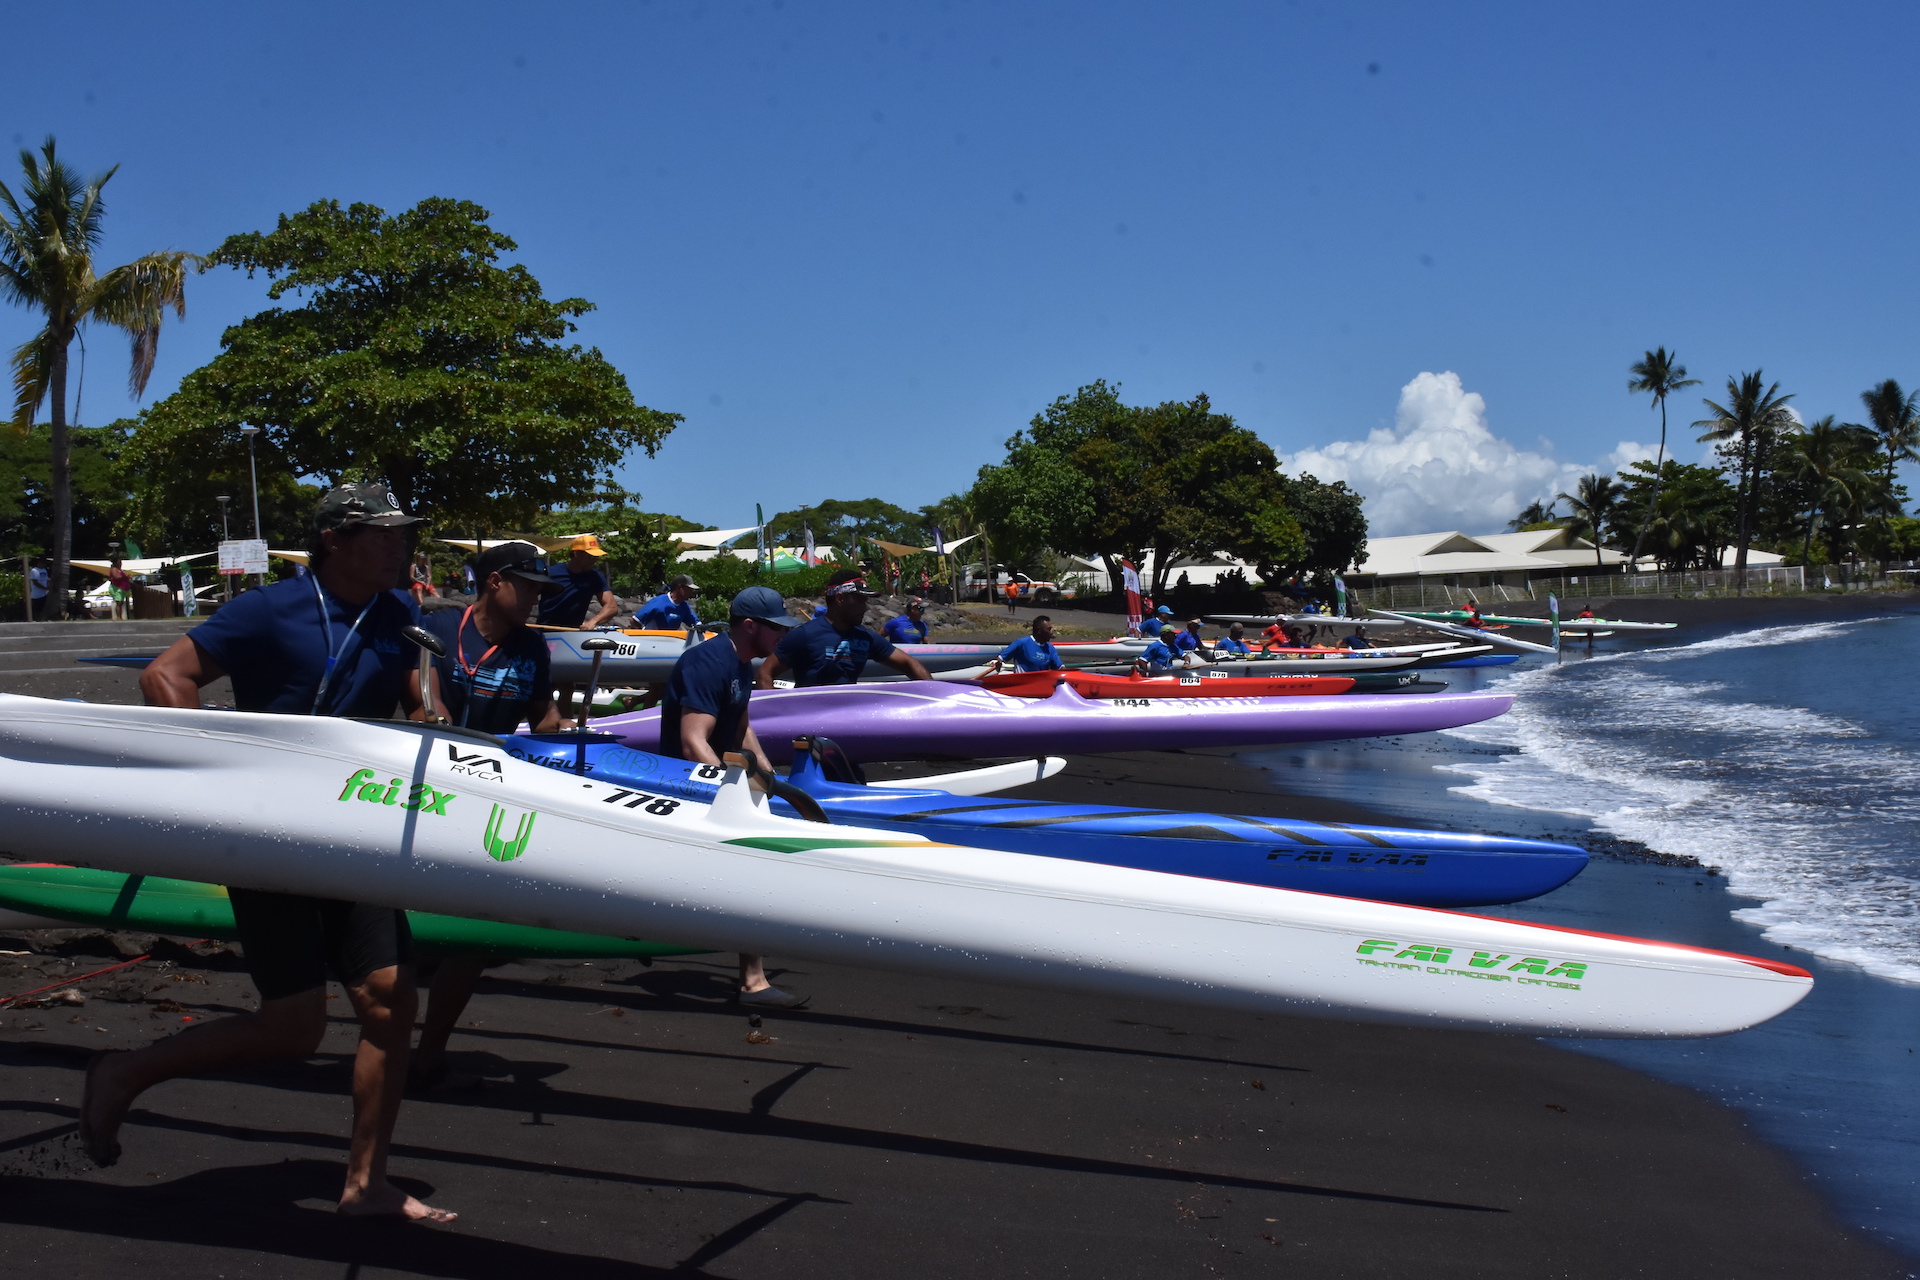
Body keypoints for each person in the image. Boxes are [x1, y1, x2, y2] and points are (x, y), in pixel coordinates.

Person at [87, 482, 452, 1223]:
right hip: (270, 830)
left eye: (402, 533)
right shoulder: (268, 608)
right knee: (294, 1027)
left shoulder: (400, 616)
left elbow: (420, 700)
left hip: (356, 825)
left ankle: (366, 1184)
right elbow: (165, 674)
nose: (398, 545)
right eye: (382, 534)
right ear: (334, 539)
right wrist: (214, 771)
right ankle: (124, 1071)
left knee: (391, 999)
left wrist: (431, 713)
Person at [404, 541, 568, 1089]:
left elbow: (543, 715)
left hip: (490, 795)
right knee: (409, 934)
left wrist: (568, 734)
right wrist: (434, 718)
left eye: (542, 590)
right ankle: (387, 1041)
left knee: (473, 936)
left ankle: (429, 1052)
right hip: (427, 790)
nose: (537, 599)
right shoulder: (439, 627)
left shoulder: (532, 647)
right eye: (529, 587)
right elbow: (422, 703)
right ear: (495, 582)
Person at [662, 585, 802, 1008]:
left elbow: (741, 725)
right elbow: (693, 742)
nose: (782, 635)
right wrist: (731, 795)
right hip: (684, 789)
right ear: (750, 626)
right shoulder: (708, 662)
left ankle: (752, 979)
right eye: (776, 627)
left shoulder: (741, 663)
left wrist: (768, 775)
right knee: (748, 870)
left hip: (716, 782)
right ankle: (752, 982)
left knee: (749, 872)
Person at [759, 569, 932, 688]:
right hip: (809, 720)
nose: (865, 608)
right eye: (860, 601)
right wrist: (778, 715)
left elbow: (909, 663)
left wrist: (933, 695)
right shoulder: (804, 635)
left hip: (846, 720)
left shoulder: (865, 638)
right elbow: (764, 674)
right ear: (840, 599)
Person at [544, 534, 620, 718]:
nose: (594, 559)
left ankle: (565, 723)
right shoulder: (552, 573)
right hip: (546, 633)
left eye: (596, 556)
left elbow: (611, 607)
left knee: (567, 687)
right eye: (590, 555)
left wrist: (593, 621)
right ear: (576, 553)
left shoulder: (595, 577)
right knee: (543, 684)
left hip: (571, 636)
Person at [990, 615, 1063, 673]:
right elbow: (1000, 659)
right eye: (1049, 629)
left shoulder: (1050, 648)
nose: (1051, 632)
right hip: (1022, 684)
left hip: (1040, 684)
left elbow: (1061, 668)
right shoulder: (1022, 643)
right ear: (1039, 631)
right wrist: (998, 664)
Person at [636, 573, 701, 631]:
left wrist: (701, 627)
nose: (691, 593)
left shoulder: (684, 606)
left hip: (668, 639)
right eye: (689, 589)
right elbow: (635, 620)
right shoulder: (659, 602)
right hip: (652, 639)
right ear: (680, 588)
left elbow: (696, 624)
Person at [106, 557, 133, 621]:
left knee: (121, 602)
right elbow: (116, 577)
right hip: (116, 588)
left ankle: (120, 616)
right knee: (119, 602)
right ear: (115, 563)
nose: (120, 564)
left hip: (122, 588)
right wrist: (125, 576)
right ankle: (118, 617)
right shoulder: (114, 569)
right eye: (119, 562)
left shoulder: (119, 570)